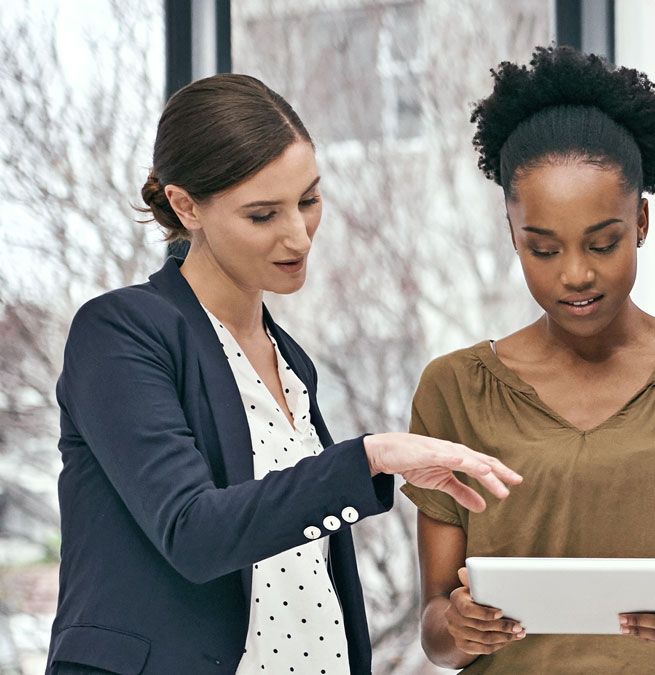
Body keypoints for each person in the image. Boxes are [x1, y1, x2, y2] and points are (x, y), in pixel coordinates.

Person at [47, 73, 521, 675]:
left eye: (309, 199)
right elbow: (194, 532)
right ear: (186, 205)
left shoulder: (291, 360)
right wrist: (368, 458)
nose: (298, 234)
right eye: (263, 214)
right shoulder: (120, 332)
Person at [400, 46, 655, 674]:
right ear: (511, 233)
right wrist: (461, 625)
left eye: (603, 243)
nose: (576, 275)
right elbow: (437, 634)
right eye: (543, 249)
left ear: (641, 220)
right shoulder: (454, 388)